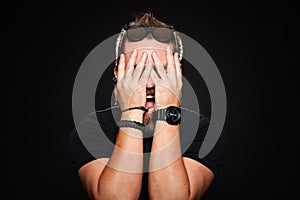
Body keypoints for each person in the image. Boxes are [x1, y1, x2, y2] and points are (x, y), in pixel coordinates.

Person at [69, 12, 227, 200]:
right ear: (118, 75)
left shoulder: (205, 132)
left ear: (178, 76)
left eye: (162, 70)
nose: (150, 82)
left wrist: (167, 109)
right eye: (137, 69)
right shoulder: (92, 129)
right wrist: (132, 112)